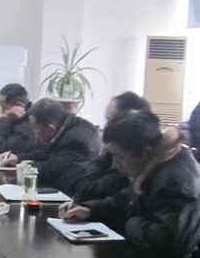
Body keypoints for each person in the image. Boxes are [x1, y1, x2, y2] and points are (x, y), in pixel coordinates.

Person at [86, 111, 200, 258]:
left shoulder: (174, 180)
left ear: (144, 153)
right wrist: (91, 209)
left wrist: (130, 223)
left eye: (120, 157)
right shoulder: (155, 161)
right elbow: (128, 198)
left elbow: (168, 239)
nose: (115, 164)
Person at [60, 92, 151, 227]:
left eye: (110, 120)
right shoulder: (113, 153)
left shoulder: (134, 162)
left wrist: (127, 224)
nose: (106, 126)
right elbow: (80, 187)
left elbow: (87, 191)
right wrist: (89, 210)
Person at [0, 98, 100, 194]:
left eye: (37, 130)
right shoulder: (63, 126)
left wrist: (23, 169)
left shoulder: (76, 139)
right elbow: (45, 153)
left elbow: (54, 169)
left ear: (50, 127)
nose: (36, 135)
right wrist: (18, 158)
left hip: (70, 194)